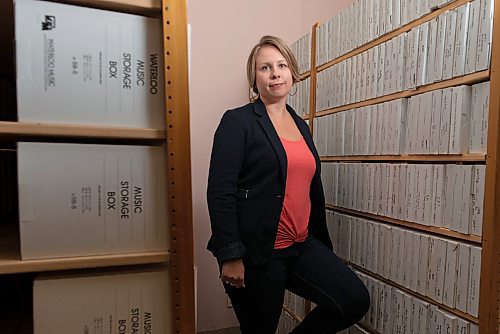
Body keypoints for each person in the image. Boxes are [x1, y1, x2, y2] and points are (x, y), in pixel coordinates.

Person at [206, 35, 370, 334]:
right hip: (258, 252)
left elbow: (308, 186)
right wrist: (230, 255)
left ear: (292, 73)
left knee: (353, 300)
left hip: (302, 245)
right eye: (265, 67)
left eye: (281, 65)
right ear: (254, 79)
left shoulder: (301, 125)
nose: (275, 73)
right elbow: (220, 191)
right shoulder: (238, 121)